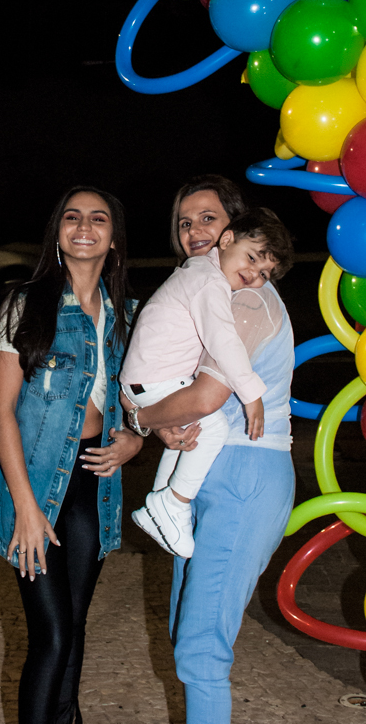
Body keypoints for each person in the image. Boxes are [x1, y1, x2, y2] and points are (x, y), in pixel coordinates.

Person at [123, 175, 295, 724]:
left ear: (233, 228)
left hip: (247, 479)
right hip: (217, 482)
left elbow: (203, 394)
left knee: (200, 649)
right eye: (183, 218)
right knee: (183, 633)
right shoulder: (209, 294)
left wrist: (140, 418)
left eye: (208, 217)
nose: (194, 229)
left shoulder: (244, 297)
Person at [0, 187, 141, 724]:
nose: (83, 226)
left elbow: (140, 402)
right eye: (70, 215)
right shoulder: (25, 304)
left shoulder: (128, 315)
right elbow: (1, 410)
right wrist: (26, 507)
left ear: (114, 238)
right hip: (33, 491)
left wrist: (134, 440)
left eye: (99, 217)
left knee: (78, 617)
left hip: (93, 488)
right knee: (52, 633)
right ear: (56, 231)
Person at [122, 208, 294, 556]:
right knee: (211, 425)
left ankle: (163, 506)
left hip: (150, 381)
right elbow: (223, 340)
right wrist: (251, 394)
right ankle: (173, 503)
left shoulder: (202, 274)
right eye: (251, 258)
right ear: (227, 240)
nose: (253, 274)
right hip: (156, 379)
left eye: (264, 272)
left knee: (190, 435)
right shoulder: (209, 282)